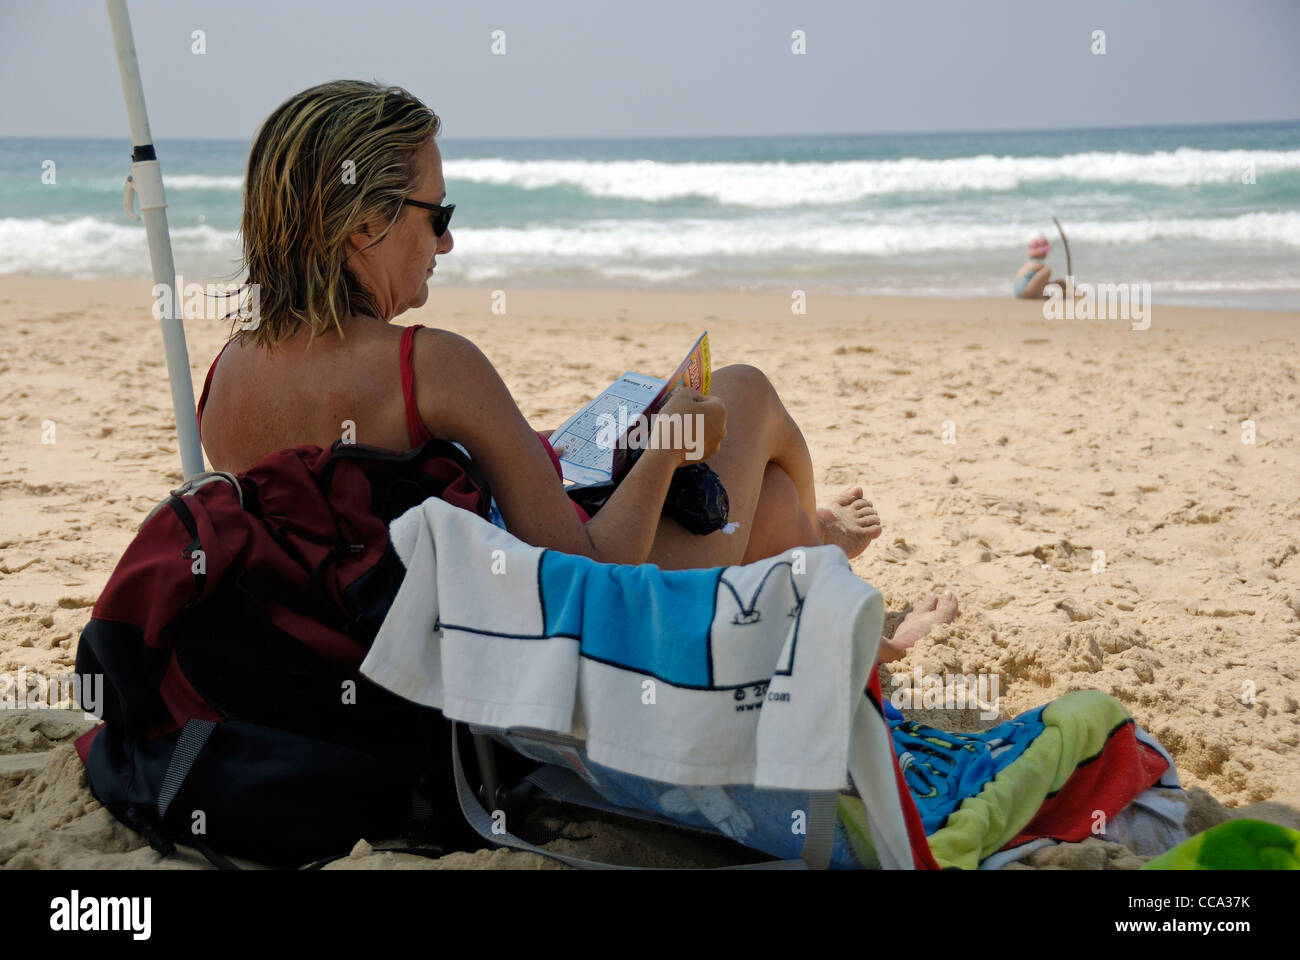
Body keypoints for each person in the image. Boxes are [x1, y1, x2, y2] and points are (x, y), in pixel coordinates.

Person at [197, 81, 962, 677]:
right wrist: (666, 447)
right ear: (365, 225)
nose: (450, 240)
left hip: (384, 650)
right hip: (520, 653)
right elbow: (590, 578)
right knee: (747, 396)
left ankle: (828, 574)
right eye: (438, 213)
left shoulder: (225, 380)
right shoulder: (428, 364)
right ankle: (850, 620)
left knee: (767, 511)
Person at [1012, 234, 1056, 299]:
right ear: (1042, 252)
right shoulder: (1038, 265)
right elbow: (1044, 283)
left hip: (1017, 292)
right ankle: (1041, 295)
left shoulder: (1027, 264)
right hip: (1025, 292)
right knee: (1047, 270)